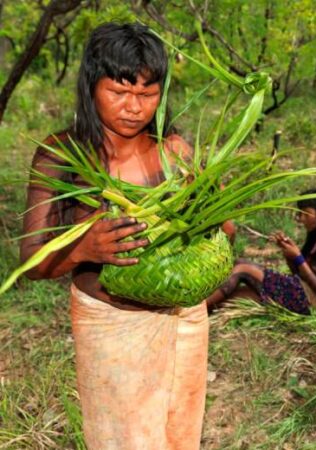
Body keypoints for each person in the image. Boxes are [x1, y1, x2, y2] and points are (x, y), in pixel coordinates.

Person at [20, 23, 228, 449]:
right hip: (111, 325)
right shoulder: (63, 155)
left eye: (147, 94)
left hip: (184, 319)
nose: (134, 107)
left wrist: (216, 209)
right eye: (119, 91)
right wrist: (83, 248)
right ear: (91, 85)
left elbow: (223, 234)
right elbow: (32, 262)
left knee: (179, 433)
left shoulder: (175, 152)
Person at [206, 188, 316, 315]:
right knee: (236, 296)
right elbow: (298, 274)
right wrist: (289, 255)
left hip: (308, 301)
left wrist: (298, 258)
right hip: (298, 290)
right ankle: (198, 309)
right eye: (300, 214)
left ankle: (192, 313)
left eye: (306, 214)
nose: (301, 219)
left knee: (242, 268)